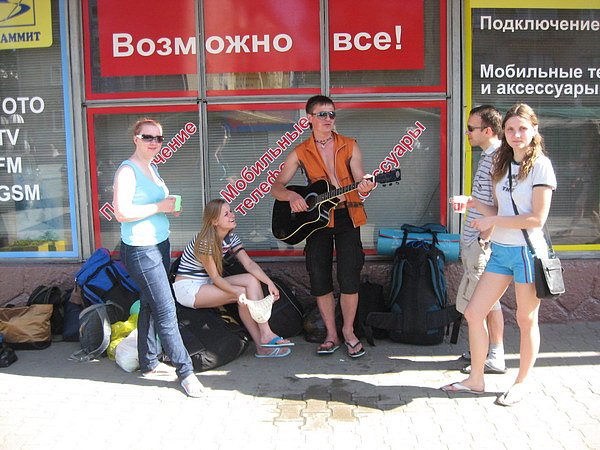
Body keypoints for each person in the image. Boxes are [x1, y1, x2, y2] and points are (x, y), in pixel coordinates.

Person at [442, 104, 557, 406]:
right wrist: (474, 204)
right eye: (511, 129)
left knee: (525, 319)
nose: (516, 135)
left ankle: (522, 383)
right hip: (500, 251)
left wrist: (492, 221)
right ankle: (476, 379)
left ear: (534, 130)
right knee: (473, 313)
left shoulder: (541, 165)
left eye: (522, 129)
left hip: (526, 251)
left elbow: (536, 219)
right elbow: (498, 209)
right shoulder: (503, 164)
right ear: (503, 132)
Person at [271, 95, 375, 358]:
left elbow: (360, 176)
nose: (329, 119)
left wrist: (366, 185)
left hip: (348, 216)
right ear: (309, 118)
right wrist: (292, 196)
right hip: (317, 222)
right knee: (319, 278)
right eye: (322, 114)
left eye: (332, 114)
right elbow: (276, 187)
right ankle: (331, 334)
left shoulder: (350, 145)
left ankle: (349, 332)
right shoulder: (300, 151)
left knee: (349, 277)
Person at [113, 118, 204, 398]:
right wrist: (158, 207)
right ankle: (186, 372)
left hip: (159, 244)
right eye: (148, 137)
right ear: (136, 139)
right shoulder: (127, 171)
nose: (154, 142)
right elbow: (121, 213)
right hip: (141, 249)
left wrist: (168, 208)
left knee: (150, 304)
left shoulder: (152, 167)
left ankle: (149, 362)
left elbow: (152, 206)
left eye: (159, 138)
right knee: (166, 309)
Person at [173, 198, 294, 358]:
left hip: (206, 282)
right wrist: (237, 293)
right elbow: (216, 277)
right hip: (189, 289)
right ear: (215, 221)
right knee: (241, 293)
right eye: (226, 214)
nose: (232, 215)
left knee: (251, 280)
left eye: (231, 211)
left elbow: (249, 264)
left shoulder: (231, 238)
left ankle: (265, 335)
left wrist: (269, 282)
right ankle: (263, 342)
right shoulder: (205, 242)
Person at [455, 105, 506, 375]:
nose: (467, 133)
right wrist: (471, 203)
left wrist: (485, 239)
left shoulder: (497, 158)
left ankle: (495, 355)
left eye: (471, 128)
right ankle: (482, 349)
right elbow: (487, 201)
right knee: (480, 299)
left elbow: (500, 207)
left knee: (488, 300)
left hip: (482, 242)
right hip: (475, 238)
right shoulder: (488, 156)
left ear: (487, 131)